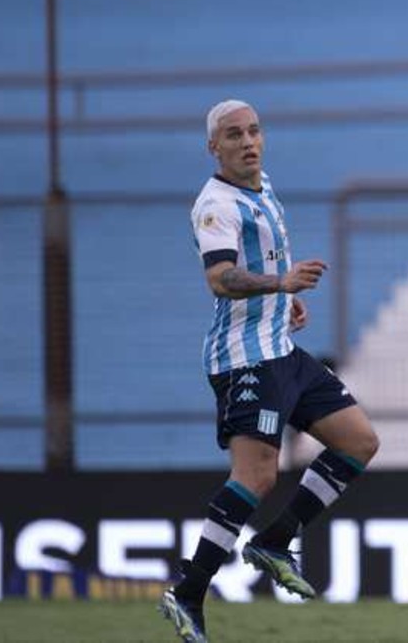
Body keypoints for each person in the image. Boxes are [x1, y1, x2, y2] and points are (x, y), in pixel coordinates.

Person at [159, 100, 380, 643]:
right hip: (243, 358)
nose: (248, 142)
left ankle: (276, 541)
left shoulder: (264, 187)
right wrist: (280, 285)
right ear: (214, 147)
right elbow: (222, 278)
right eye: (233, 135)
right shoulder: (215, 205)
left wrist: (284, 303)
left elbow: (258, 270)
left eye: (254, 131)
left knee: (359, 441)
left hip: (279, 346)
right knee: (257, 476)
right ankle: (188, 591)